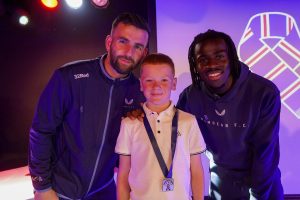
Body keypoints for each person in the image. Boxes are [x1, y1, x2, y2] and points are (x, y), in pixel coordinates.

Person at [28, 12, 149, 200]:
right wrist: (42, 187)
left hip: (104, 189)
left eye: (138, 46)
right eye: (123, 41)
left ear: (144, 53)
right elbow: (41, 132)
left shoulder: (139, 92)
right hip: (60, 190)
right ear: (109, 42)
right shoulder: (69, 77)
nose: (129, 53)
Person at [177, 29, 284, 199]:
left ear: (232, 58)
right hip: (221, 185)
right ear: (195, 66)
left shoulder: (264, 92)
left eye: (219, 56)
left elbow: (265, 155)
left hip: (264, 187)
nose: (211, 64)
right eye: (202, 60)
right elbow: (174, 141)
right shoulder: (190, 97)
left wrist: (258, 196)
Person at [115, 53, 206, 200]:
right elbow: (123, 174)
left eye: (164, 80)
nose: (156, 86)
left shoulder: (188, 121)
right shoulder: (129, 123)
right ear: (140, 84)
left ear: (174, 83)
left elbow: (196, 170)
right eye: (149, 80)